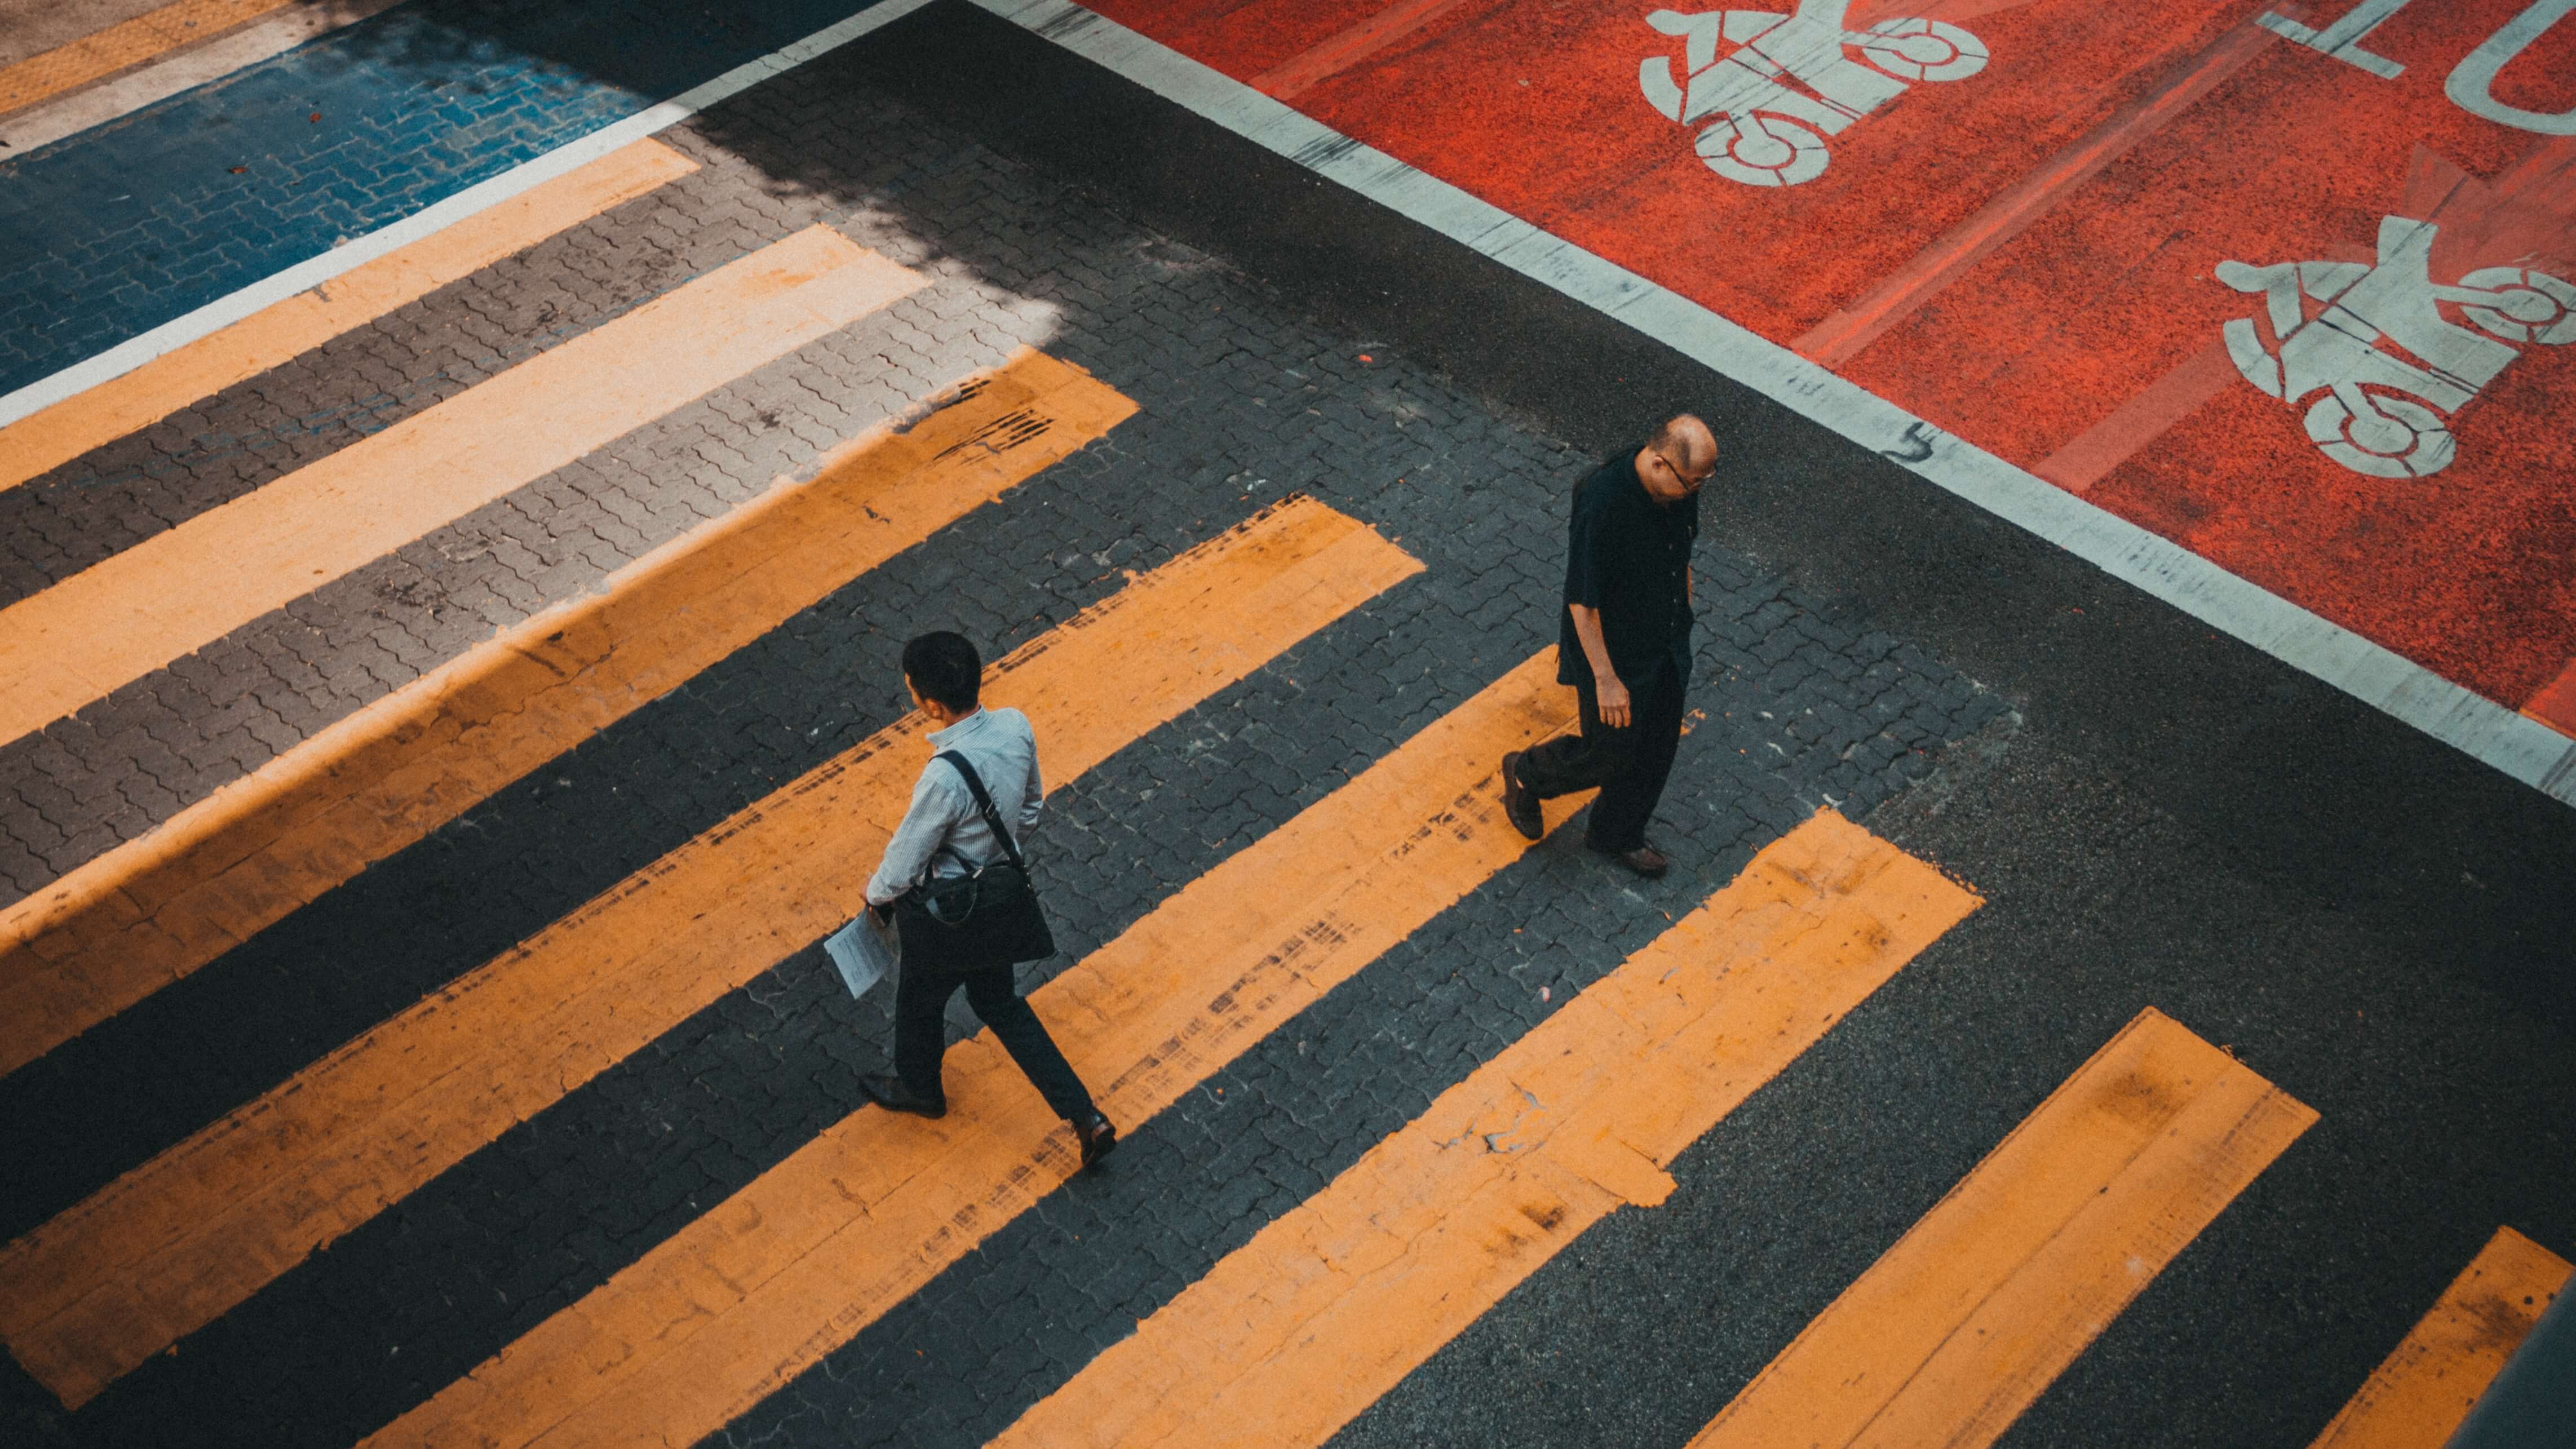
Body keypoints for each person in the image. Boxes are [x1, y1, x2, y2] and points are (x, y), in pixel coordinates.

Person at [856, 630, 1117, 1168]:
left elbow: (907, 859)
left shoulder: (943, 777)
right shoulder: (1016, 727)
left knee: (920, 999)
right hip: (998, 900)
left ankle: (921, 1089)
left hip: (948, 915)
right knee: (999, 1003)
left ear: (932, 704)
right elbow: (1030, 808)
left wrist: (876, 895)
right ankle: (1085, 1116)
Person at [1499, 414, 1717, 878]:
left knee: (1657, 748)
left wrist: (1684, 624)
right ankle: (1526, 773)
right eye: (1693, 482)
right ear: (1661, 464)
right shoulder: (1602, 502)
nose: (1697, 492)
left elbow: (1682, 559)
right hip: (1613, 656)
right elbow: (1583, 603)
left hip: (1665, 644)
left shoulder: (1678, 491)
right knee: (1607, 752)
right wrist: (1606, 679)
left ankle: (1616, 834)